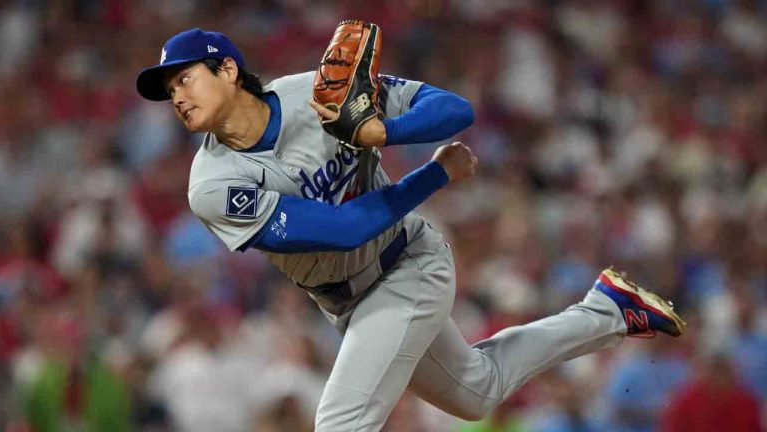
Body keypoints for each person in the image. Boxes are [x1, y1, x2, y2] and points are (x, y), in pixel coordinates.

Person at [135, 27, 686, 431]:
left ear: (228, 70)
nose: (176, 96)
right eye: (169, 90)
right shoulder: (212, 185)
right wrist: (434, 174)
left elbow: (453, 109)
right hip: (347, 300)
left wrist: (382, 131)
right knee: (476, 391)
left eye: (184, 78)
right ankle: (610, 310)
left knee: (341, 423)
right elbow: (343, 230)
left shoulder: (316, 93)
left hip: (408, 263)